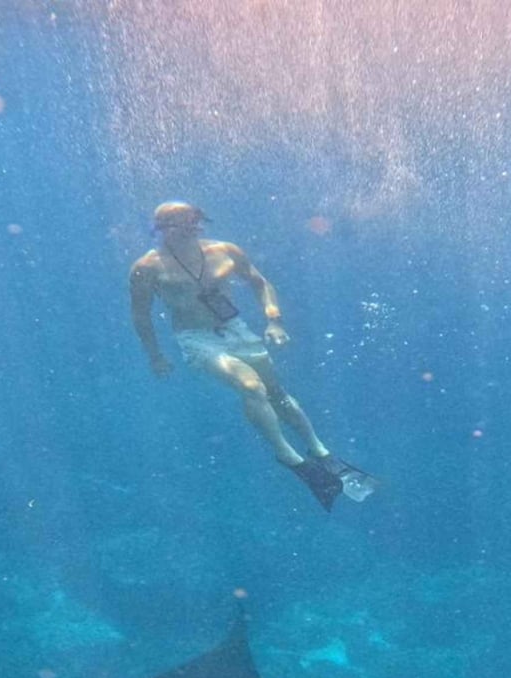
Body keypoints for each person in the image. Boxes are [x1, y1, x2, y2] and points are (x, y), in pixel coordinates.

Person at [129, 201, 376, 511]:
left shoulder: (224, 251)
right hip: (197, 339)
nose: (196, 226)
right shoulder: (147, 268)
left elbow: (260, 283)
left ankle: (321, 452)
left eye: (196, 220)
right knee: (250, 386)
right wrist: (155, 356)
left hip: (236, 329)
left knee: (277, 394)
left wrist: (273, 319)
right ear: (165, 227)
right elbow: (141, 316)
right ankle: (289, 456)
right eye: (187, 221)